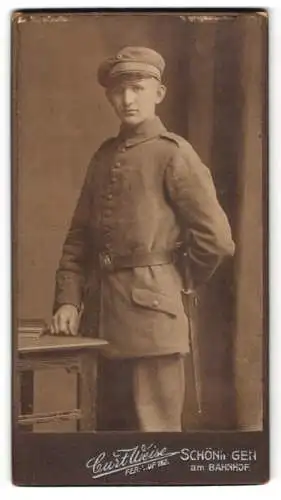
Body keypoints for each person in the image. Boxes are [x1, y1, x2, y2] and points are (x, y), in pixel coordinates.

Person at [50, 46, 235, 432]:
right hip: (99, 324)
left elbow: (216, 241)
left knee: (155, 444)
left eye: (137, 88)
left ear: (159, 93)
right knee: (106, 441)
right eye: (119, 91)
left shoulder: (175, 154)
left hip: (153, 326)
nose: (127, 99)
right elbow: (77, 239)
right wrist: (68, 300)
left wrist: (172, 280)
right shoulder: (103, 157)